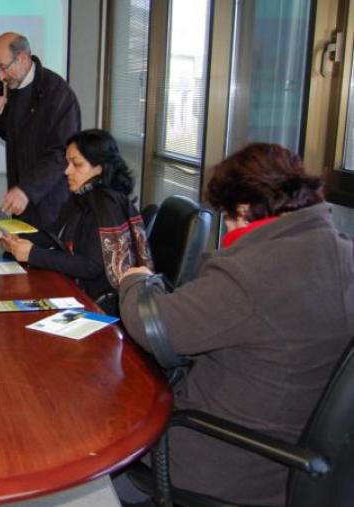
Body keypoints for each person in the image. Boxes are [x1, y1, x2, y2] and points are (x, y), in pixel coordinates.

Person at [117, 143, 354, 506]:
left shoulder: (254, 271)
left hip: (225, 460)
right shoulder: (343, 252)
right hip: (295, 463)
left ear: (243, 208)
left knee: (100, 462)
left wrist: (135, 279)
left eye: (227, 216)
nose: (227, 226)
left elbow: (153, 329)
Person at [1, 129, 151, 313]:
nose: (66, 171)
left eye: (76, 164)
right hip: (79, 290)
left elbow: (91, 266)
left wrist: (33, 254)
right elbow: (53, 235)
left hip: (102, 305)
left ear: (99, 167)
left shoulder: (106, 205)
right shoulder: (82, 195)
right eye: (67, 163)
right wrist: (17, 240)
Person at [0, 32, 81, 231]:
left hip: (51, 205)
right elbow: (12, 137)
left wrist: (26, 190)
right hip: (23, 200)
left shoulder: (57, 93)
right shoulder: (11, 87)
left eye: (3, 68)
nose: (1, 76)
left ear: (22, 57)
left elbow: (61, 153)